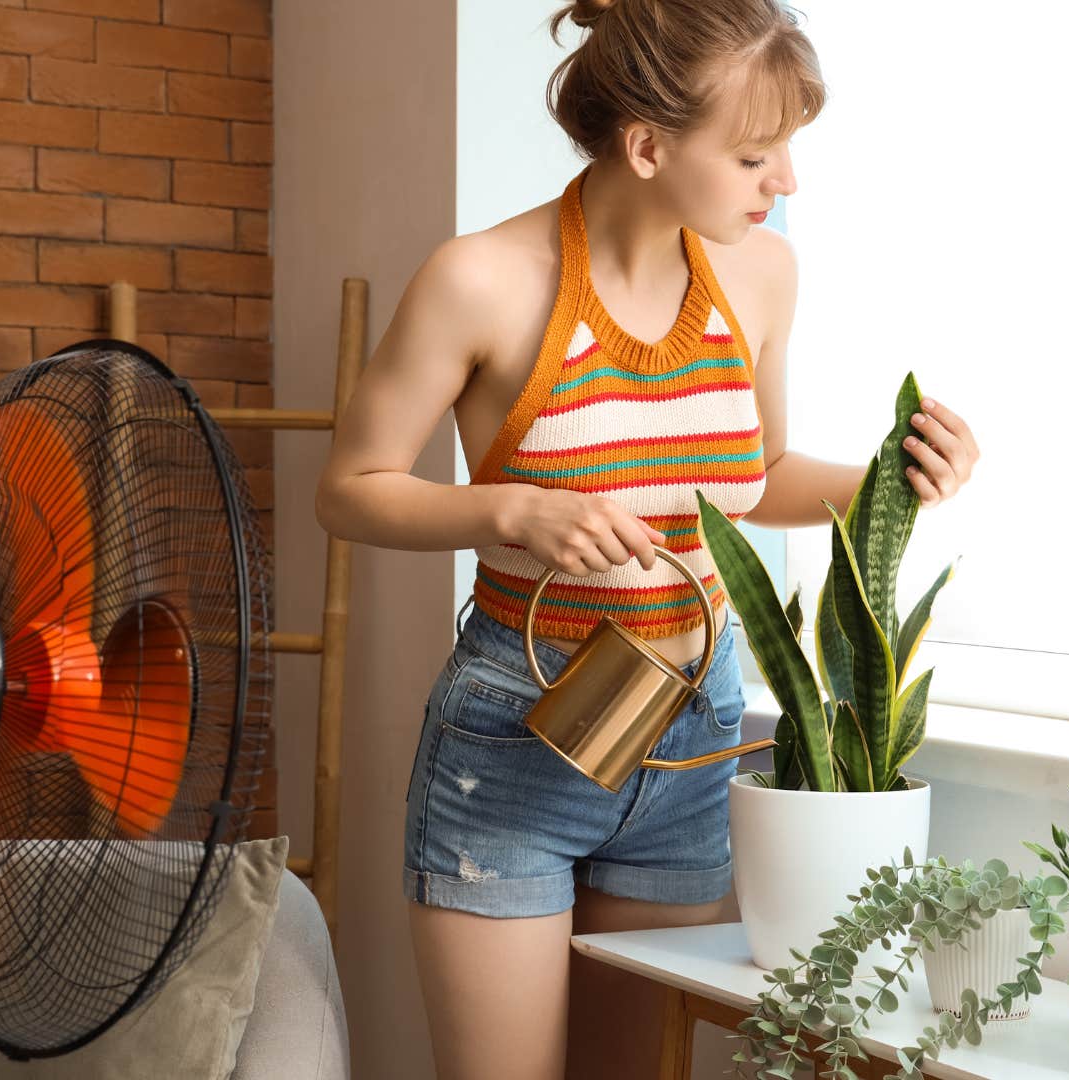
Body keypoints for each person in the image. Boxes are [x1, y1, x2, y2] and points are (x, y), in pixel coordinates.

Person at [314, 1, 981, 1076]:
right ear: (648, 145)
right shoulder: (481, 280)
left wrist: (889, 483)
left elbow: (749, 481)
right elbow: (349, 490)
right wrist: (513, 508)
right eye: (758, 155)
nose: (788, 183)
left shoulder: (759, 276)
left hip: (691, 732)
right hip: (516, 739)